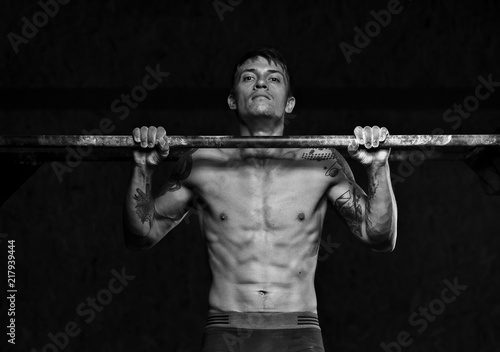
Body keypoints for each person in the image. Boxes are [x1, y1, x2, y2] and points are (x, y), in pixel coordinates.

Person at [123, 47, 397, 351]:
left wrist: (378, 166)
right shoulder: (201, 163)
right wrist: (143, 167)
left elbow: (379, 236)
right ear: (231, 99)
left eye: (274, 78)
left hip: (299, 332)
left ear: (289, 103)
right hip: (226, 331)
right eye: (249, 77)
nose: (261, 84)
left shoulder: (321, 163)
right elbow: (142, 234)